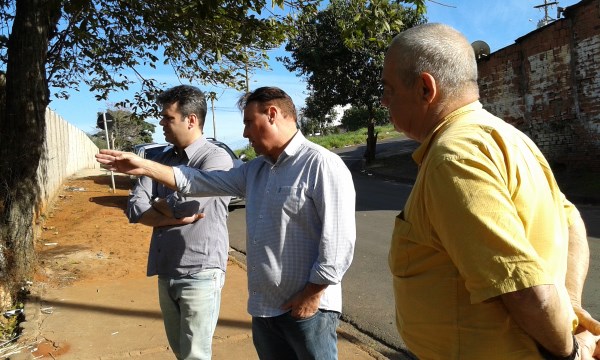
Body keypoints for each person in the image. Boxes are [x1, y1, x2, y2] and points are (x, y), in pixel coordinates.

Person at [381, 23, 600, 360]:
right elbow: (571, 221)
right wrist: (570, 304)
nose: (384, 100)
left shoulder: (453, 158)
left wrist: (572, 353)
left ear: (426, 88)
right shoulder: (509, 137)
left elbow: (525, 290)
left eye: (389, 88)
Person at [96, 86, 356, 360]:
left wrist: (312, 295)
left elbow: (338, 242)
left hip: (307, 309)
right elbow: (198, 181)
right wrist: (144, 166)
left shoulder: (321, 164)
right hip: (265, 309)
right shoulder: (255, 170)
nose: (245, 133)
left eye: (248, 123)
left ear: (272, 114)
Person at [126, 85, 233, 360]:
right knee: (179, 352)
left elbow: (189, 205)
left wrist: (161, 205)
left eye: (167, 117)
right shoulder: (159, 159)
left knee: (195, 355)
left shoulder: (215, 158)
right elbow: (136, 208)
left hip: (200, 271)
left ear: (191, 120)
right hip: (166, 269)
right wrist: (169, 212)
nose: (161, 122)